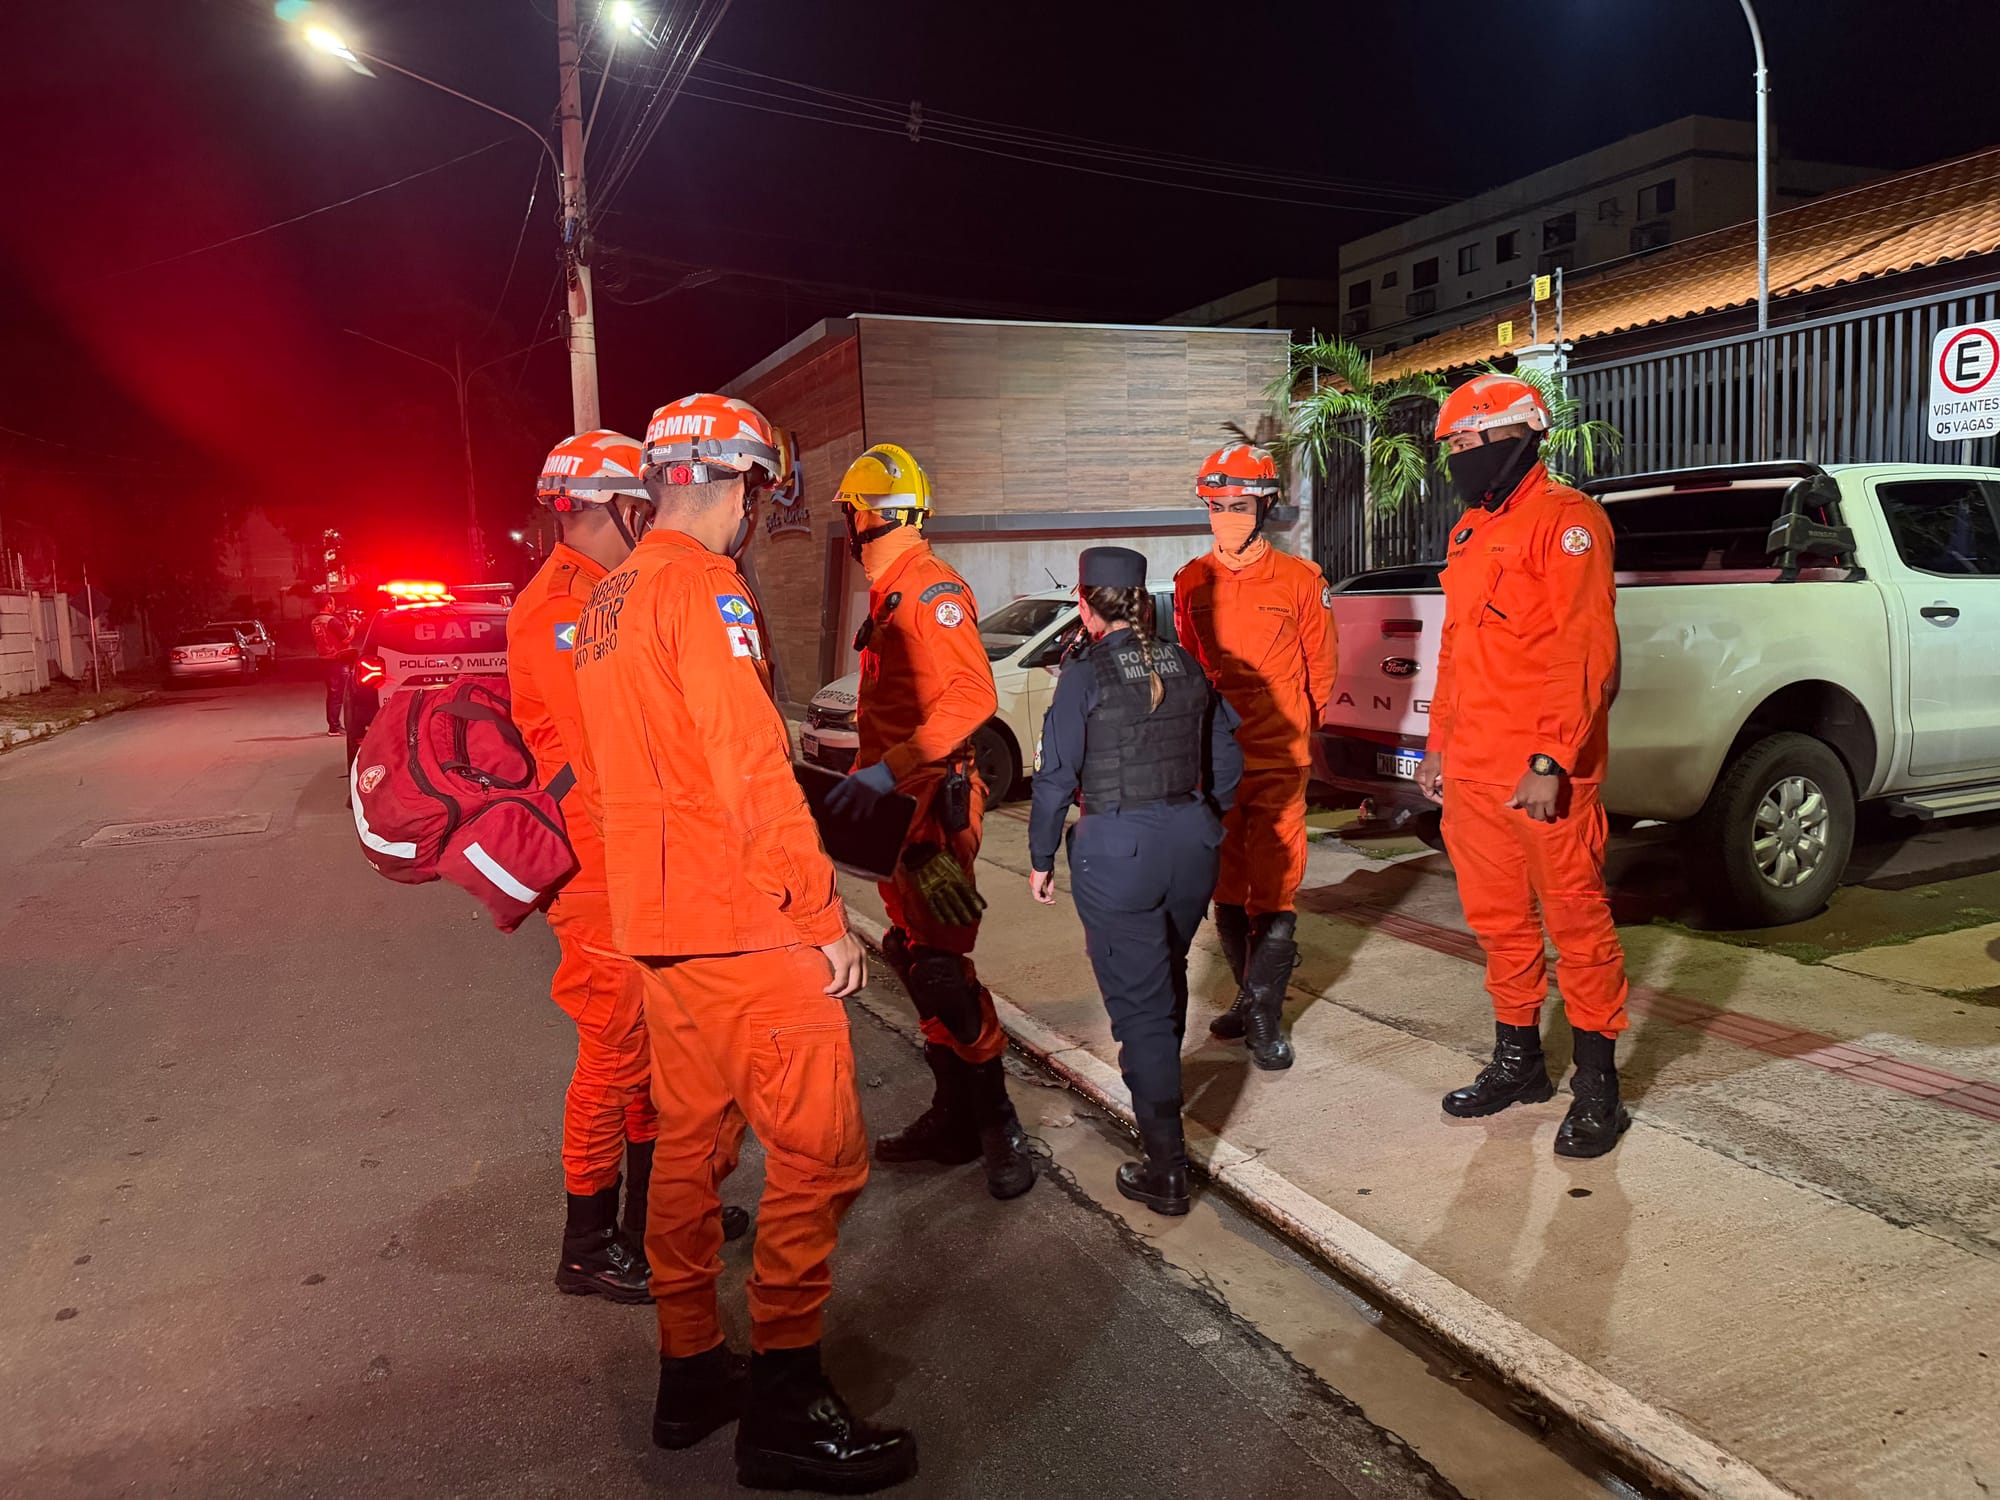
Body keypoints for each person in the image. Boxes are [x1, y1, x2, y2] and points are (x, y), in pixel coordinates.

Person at [572, 393, 914, 1492]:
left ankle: (691, 1374)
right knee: (819, 1156)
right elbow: (744, 766)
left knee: (688, 1148)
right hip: (742, 925)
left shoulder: (609, 600)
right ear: (740, 484)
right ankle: (783, 1397)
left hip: (658, 927)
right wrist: (819, 916)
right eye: (762, 488)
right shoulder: (703, 589)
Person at [509, 430, 750, 1308]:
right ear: (608, 508)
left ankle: (653, 1214)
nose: (648, 524)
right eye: (638, 511)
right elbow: (614, 751)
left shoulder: (604, 595)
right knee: (612, 1053)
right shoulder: (561, 610)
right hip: (599, 866)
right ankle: (587, 1241)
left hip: (632, 860)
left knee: (648, 1051)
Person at [1413, 372, 1629, 1158]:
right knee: (1499, 925)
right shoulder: (1469, 532)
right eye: (1452, 448)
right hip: (1471, 768)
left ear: (1516, 435)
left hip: (1542, 774)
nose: (1458, 459)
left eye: (1467, 444)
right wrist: (1436, 745)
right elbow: (1457, 652)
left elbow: (1584, 651)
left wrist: (1550, 757)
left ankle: (1599, 1089)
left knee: (1577, 925)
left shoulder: (1568, 523)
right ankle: (1519, 1063)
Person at [822, 442, 1034, 1201]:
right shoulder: (891, 592)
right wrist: (862, 781)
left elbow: (974, 698)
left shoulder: (927, 588)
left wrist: (888, 768)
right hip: (898, 813)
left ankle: (998, 1127)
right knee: (912, 955)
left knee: (944, 969)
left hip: (933, 812)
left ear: (858, 517)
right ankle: (954, 1118)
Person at [1029, 547, 1243, 1217]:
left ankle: (1167, 1169)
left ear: (1086, 604)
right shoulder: (1185, 664)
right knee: (1167, 974)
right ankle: (1164, 1103)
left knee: (1143, 1009)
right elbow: (1229, 763)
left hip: (1118, 850)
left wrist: (1040, 858)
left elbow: (1057, 779)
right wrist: (1203, 822)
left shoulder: (1082, 676)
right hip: (1190, 844)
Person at [1173, 441, 1335, 1071]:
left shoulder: (1300, 581)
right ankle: (1249, 997)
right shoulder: (1191, 581)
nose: (1226, 516)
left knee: (1275, 888)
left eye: (1237, 504)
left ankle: (1266, 1015)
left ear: (1265, 505)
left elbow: (1321, 672)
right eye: (1215, 506)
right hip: (1216, 764)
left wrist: (1297, 736)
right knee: (1227, 886)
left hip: (1277, 763)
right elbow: (1192, 666)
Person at [309, 593, 351, 737]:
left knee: (332, 694)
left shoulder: (315, 621)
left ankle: (333, 725)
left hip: (324, 659)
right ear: (328, 604)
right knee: (339, 695)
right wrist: (354, 626)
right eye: (332, 603)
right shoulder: (331, 621)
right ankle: (335, 727)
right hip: (336, 659)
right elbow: (346, 639)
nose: (334, 606)